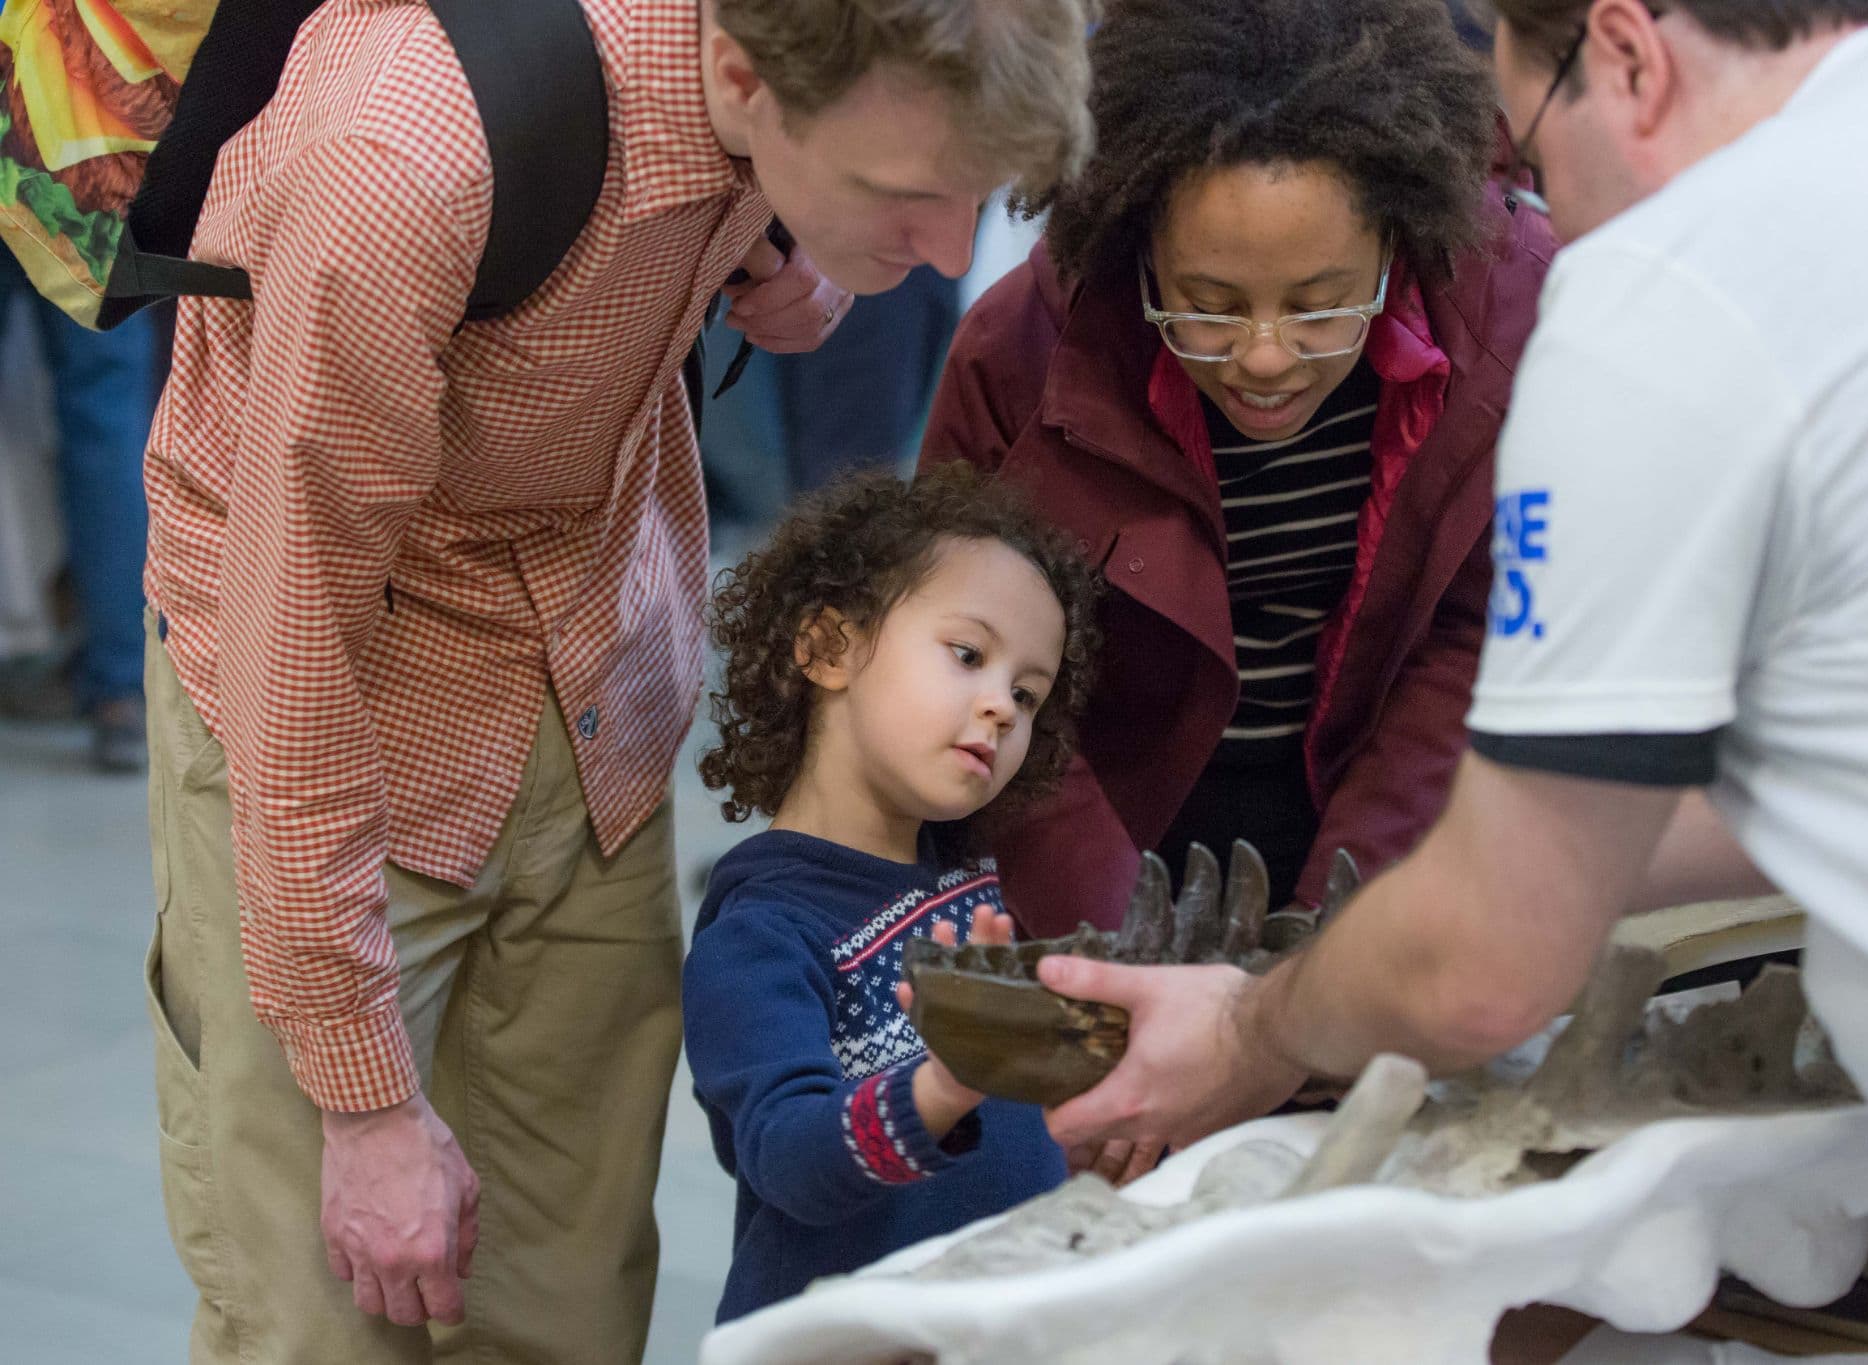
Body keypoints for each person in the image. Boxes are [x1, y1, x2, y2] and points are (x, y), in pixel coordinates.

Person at [1033, 2, 1868, 1359]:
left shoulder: (1652, 289)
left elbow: (1482, 965)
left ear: (1623, 50)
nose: (1542, 203)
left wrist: (1257, 1029)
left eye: (1535, 143)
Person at [137, 0, 1092, 1359]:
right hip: (339, 726)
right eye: (908, 197)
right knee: (328, 1312)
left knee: (568, 1308)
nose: (952, 253)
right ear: (743, 76)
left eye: (977, 198)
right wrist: (363, 1104)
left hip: (594, 691)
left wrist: (800, 248)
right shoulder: (403, 158)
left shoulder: (762, 99)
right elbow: (293, 640)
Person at [919, 0, 1554, 942]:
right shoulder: (1020, 359)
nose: (1265, 357)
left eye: (1321, 306)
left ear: (1397, 242)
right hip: (1100, 850)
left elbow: (1474, 637)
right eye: (1207, 306)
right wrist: (1124, 953)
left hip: (1396, 825)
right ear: (1140, 250)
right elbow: (976, 679)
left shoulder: (1508, 320)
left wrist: (1338, 937)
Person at [683, 466, 1097, 1321]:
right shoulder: (760, 933)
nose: (1002, 710)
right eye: (968, 655)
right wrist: (941, 1089)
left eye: (1028, 693)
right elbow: (787, 1160)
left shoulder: (973, 888)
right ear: (828, 648)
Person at [0, 258, 155, 771]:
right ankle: (121, 695)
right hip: (67, 180)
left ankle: (120, 681)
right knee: (105, 411)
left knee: (105, 407)